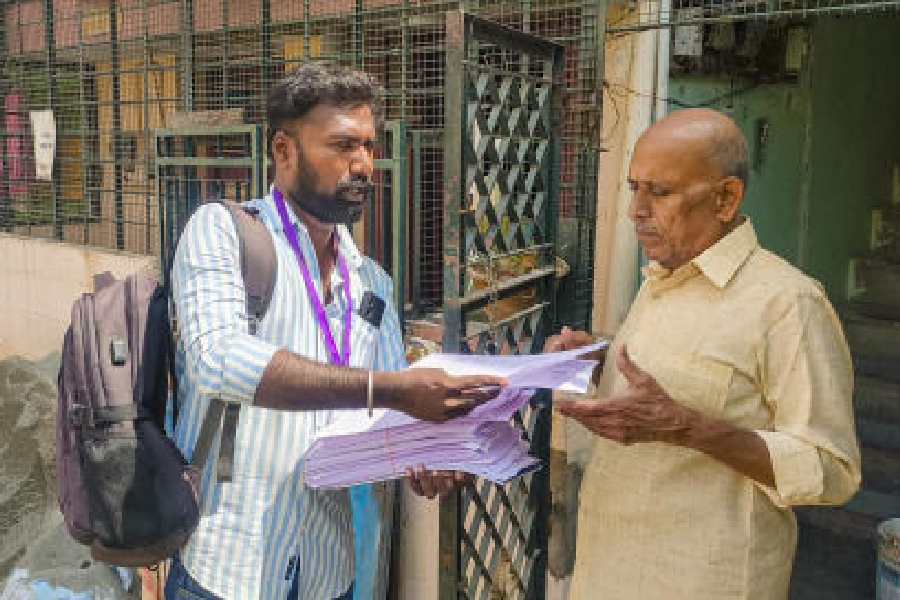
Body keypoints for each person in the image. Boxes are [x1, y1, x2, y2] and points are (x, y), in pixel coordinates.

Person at [165, 63, 503, 600]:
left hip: (329, 567)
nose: (363, 164)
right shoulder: (222, 231)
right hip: (228, 566)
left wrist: (433, 455)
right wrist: (388, 388)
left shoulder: (372, 281)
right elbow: (221, 360)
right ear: (284, 151)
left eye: (369, 146)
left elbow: (392, 414)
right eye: (343, 146)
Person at [549, 108, 861, 599]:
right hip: (608, 567)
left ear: (725, 198)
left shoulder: (788, 303)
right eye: (633, 187)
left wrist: (689, 429)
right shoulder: (660, 279)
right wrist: (598, 356)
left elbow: (832, 470)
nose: (636, 210)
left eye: (660, 191)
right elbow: (673, 379)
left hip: (702, 579)